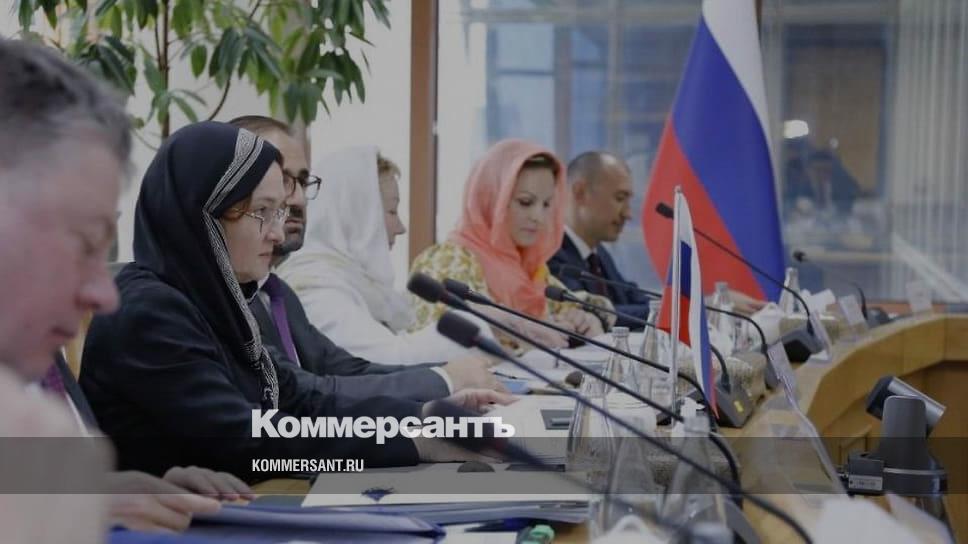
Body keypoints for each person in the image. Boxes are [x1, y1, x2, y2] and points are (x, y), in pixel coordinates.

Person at [80, 121, 512, 478]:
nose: (276, 232)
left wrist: (424, 414)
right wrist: (415, 442)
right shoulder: (149, 311)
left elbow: (305, 399)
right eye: (262, 212)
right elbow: (247, 443)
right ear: (203, 214)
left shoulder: (217, 301)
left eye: (279, 212)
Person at [0, 39, 256, 538]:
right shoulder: (150, 308)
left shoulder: (27, 348)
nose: (104, 294)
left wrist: (113, 489)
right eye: (84, 243)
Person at [228, 116, 500, 392]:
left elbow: (348, 369)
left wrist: (446, 376)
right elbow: (307, 393)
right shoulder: (301, 287)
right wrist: (447, 378)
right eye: (283, 181)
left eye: (302, 181)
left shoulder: (279, 293)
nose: (298, 198)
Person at [274, 144, 492, 364]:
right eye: (391, 211)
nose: (401, 227)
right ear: (357, 215)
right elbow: (388, 361)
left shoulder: (353, 282)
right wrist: (476, 325)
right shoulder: (316, 289)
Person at [409, 139, 613, 352]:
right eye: (525, 202)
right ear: (490, 198)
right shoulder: (449, 259)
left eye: (546, 204)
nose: (538, 217)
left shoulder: (528, 269)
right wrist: (522, 331)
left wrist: (586, 318)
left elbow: (580, 304)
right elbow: (437, 342)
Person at [549, 151, 652, 328]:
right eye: (620, 198)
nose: (628, 214)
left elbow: (631, 295)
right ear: (580, 193)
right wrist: (660, 313)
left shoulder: (598, 253)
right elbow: (590, 311)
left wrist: (671, 308)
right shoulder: (550, 252)